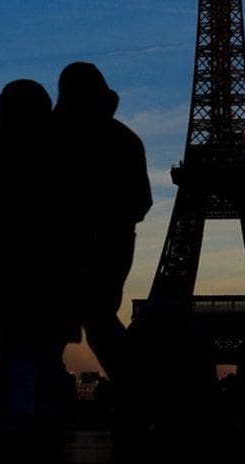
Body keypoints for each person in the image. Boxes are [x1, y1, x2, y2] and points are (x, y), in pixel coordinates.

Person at [0, 79, 76, 437]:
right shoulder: (61, 152)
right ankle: (46, 414)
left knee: (11, 343)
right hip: (50, 270)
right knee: (46, 349)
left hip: (12, 269)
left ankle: (12, 415)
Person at [51, 62, 152, 386]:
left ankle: (33, 405)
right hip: (112, 245)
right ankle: (136, 392)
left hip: (58, 245)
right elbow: (142, 203)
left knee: (46, 326)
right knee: (101, 321)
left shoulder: (49, 135)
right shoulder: (125, 139)